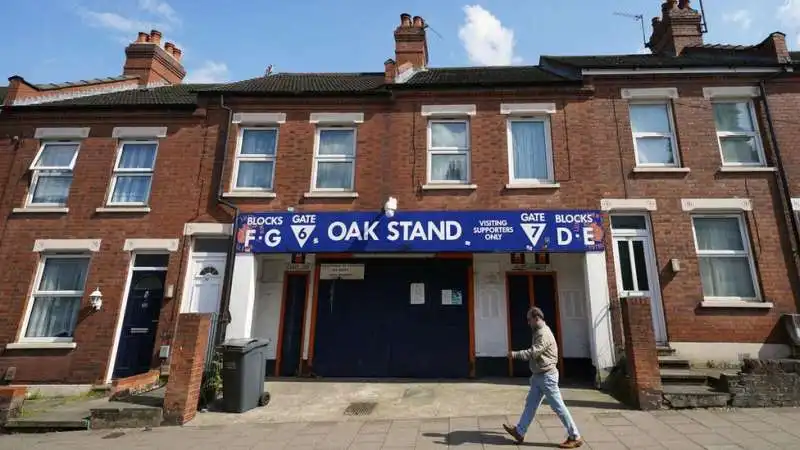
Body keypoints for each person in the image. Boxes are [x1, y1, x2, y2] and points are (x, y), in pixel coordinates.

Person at [503, 306, 583, 448]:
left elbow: (533, 353)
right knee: (531, 405)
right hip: (538, 376)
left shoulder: (543, 333)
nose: (528, 323)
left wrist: (514, 354)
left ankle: (575, 436)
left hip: (547, 377)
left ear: (536, 318)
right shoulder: (537, 331)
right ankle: (520, 431)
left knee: (558, 406)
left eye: (529, 320)